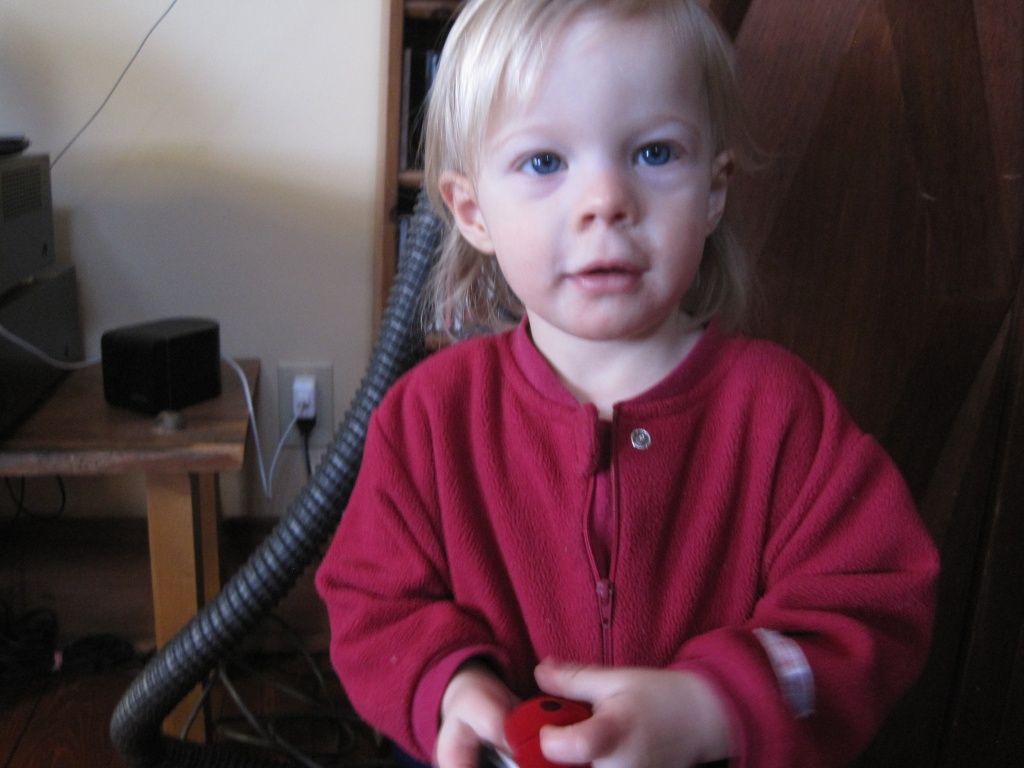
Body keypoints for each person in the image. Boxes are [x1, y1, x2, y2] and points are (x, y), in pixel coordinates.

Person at [316, 1, 940, 766]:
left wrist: (714, 706)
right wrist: (452, 685)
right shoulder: (426, 419)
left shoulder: (785, 416)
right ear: (473, 212)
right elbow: (372, 603)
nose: (605, 201)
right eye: (544, 163)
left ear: (713, 191)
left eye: (654, 153)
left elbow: (874, 607)